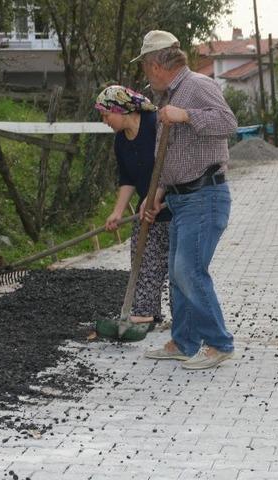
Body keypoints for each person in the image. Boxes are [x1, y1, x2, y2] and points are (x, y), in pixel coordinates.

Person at [132, 30, 238, 370]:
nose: (146, 74)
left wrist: (187, 116)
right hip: (181, 199)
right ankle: (184, 341)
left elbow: (228, 123)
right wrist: (156, 195)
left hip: (205, 195)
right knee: (178, 274)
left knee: (188, 270)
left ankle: (219, 343)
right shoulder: (168, 96)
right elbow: (171, 155)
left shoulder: (197, 87)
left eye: (146, 66)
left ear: (157, 63)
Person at [94, 85, 171, 340]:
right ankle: (145, 314)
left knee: (177, 266)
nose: (105, 121)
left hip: (176, 202)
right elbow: (127, 178)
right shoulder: (120, 141)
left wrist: (156, 196)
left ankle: (183, 318)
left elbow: (171, 160)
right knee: (142, 256)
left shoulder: (153, 124)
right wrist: (117, 212)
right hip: (145, 207)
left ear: (120, 109)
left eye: (106, 115)